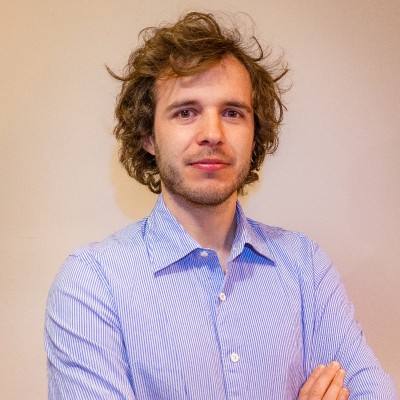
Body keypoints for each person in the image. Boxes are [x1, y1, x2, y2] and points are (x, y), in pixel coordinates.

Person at [44, 11, 397, 400]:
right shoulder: (92, 284)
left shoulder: (305, 267)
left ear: (254, 133)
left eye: (232, 113)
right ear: (148, 136)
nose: (212, 134)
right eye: (186, 112)